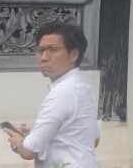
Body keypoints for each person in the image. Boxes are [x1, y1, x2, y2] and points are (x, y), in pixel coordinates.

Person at [6, 20, 101, 167]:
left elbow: (29, 151)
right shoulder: (84, 88)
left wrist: (17, 142)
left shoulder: (61, 93)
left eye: (52, 49)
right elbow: (93, 140)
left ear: (74, 54)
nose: (43, 57)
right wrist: (44, 134)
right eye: (40, 50)